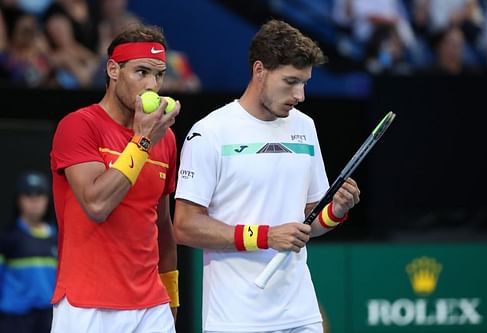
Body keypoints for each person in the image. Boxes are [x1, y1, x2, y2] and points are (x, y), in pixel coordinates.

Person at [174, 19, 361, 333]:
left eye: (304, 82)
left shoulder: (305, 127)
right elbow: (184, 226)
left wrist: (337, 211)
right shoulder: (209, 132)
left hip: (301, 314)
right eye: (290, 81)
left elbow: (308, 221)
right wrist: (265, 236)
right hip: (235, 318)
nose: (300, 94)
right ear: (259, 71)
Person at [49, 23, 180, 333]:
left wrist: (171, 296)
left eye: (159, 75)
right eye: (142, 72)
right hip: (86, 304)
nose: (152, 85)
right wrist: (143, 140)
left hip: (152, 306)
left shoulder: (166, 138)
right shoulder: (78, 126)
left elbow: (162, 223)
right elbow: (96, 205)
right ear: (113, 70)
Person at [0, 170, 56, 333]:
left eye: (39, 194)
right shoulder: (7, 238)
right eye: (28, 195)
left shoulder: (58, 238)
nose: (34, 201)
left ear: (47, 199)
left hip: (48, 318)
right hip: (15, 320)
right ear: (18, 200)